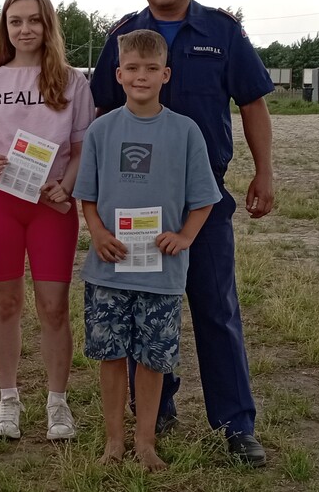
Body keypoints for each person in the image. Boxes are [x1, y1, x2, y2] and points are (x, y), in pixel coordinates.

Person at [91, 0, 274, 466]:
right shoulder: (124, 37)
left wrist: (264, 172)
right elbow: (102, 110)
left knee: (216, 310)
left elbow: (253, 104)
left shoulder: (223, 32)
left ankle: (235, 423)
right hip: (134, 207)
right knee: (146, 306)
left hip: (203, 203)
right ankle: (157, 410)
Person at [75, 30, 220, 471]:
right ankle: (114, 441)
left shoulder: (186, 131)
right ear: (118, 74)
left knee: (152, 360)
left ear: (165, 74)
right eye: (132, 69)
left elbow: (204, 199)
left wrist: (185, 237)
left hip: (162, 273)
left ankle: (145, 441)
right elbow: (88, 197)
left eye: (151, 68)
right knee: (112, 356)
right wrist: (97, 232)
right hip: (109, 271)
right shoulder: (101, 130)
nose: (142, 76)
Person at [0, 0, 94, 441]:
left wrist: (67, 185)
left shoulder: (73, 82)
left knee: (54, 307)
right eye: (15, 21)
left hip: (52, 205)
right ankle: (8, 399)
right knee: (6, 303)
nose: (25, 29)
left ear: (48, 25)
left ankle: (58, 403)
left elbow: (81, 149)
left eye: (34, 20)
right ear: (5, 27)